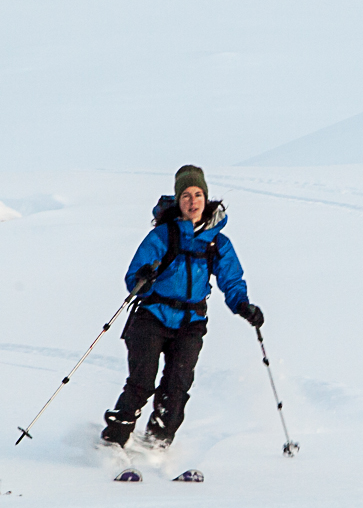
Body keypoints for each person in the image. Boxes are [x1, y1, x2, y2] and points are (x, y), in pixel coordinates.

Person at [101, 165, 264, 449]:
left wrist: (242, 305)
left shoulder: (217, 241)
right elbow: (134, 276)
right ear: (178, 200)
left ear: (206, 198)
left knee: (177, 386)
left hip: (190, 321)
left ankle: (156, 445)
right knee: (142, 382)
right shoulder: (163, 235)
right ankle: (114, 440)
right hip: (152, 316)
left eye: (198, 194)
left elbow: (232, 279)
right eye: (186, 195)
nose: (192, 201)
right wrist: (144, 278)